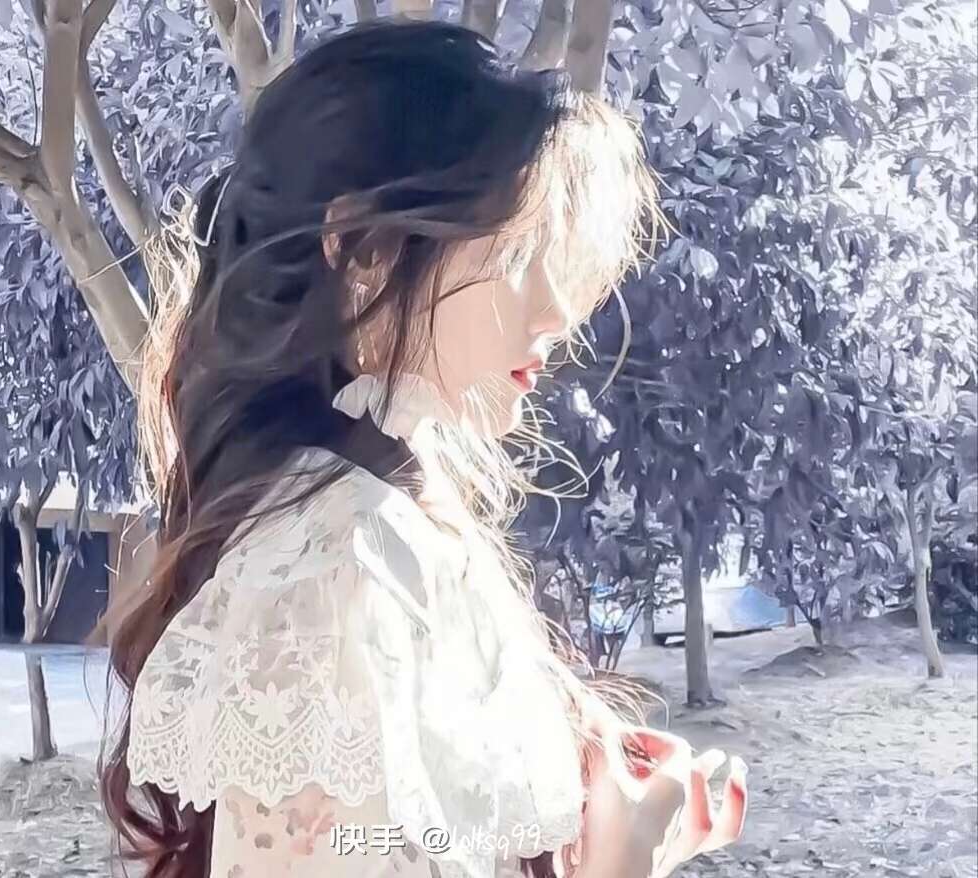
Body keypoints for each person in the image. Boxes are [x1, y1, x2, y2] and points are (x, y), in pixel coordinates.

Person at [98, 18, 747, 878]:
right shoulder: (330, 568)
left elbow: (389, 845)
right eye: (518, 252)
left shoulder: (384, 522)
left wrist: (582, 816)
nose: (559, 313)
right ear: (361, 248)